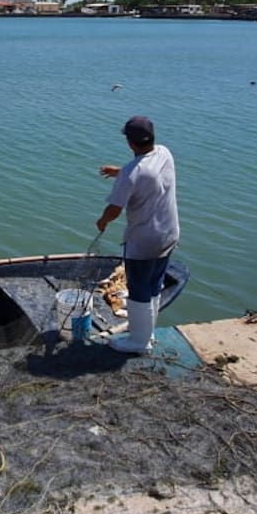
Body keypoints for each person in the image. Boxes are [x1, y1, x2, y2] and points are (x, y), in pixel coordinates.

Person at [95, 116, 181, 354]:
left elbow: (114, 208)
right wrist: (120, 172)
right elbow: (147, 172)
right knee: (154, 285)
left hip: (144, 242)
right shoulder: (165, 153)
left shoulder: (131, 174)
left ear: (129, 143)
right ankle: (147, 332)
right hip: (169, 234)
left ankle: (138, 343)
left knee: (139, 290)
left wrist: (102, 221)